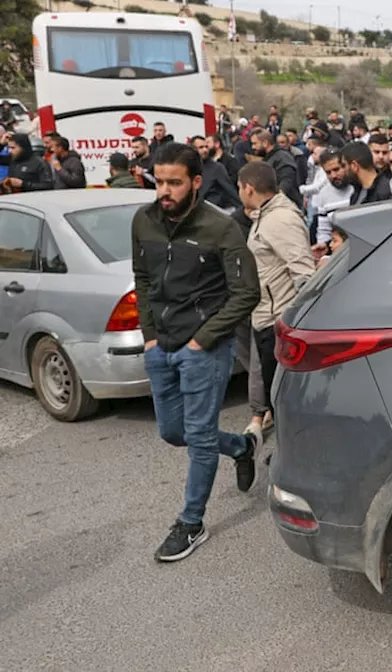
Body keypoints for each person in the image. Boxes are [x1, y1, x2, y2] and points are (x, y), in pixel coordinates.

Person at [131, 142, 261, 562]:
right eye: (159, 181)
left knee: (200, 437)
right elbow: (143, 278)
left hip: (203, 349)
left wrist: (202, 340)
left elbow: (246, 293)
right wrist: (149, 335)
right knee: (173, 432)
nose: (164, 190)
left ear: (196, 182)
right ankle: (242, 448)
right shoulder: (143, 221)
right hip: (160, 347)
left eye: (174, 182)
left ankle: (191, 523)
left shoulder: (220, 228)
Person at [237, 161, 316, 456]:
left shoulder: (278, 219)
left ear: (249, 188)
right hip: (264, 317)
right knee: (275, 395)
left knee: (284, 397)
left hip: (278, 320)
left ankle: (294, 454)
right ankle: (289, 449)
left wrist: (298, 320)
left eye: (239, 187)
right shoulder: (264, 216)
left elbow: (303, 273)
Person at [341, 141, 392, 205]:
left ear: (354, 166)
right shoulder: (356, 193)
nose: (343, 170)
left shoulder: (384, 193)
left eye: (344, 165)